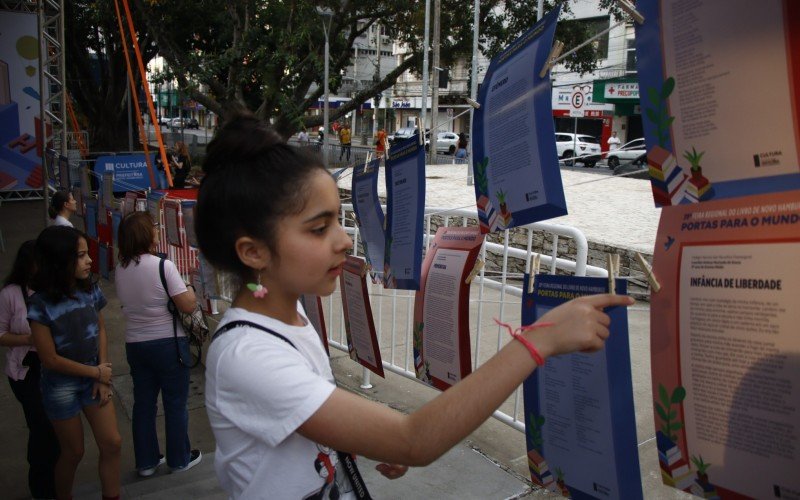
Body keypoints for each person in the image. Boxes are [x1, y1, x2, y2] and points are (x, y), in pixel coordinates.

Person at [195, 113, 633, 498]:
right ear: (253, 252)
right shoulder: (248, 356)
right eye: (318, 228)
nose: (345, 240)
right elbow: (413, 440)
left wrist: (366, 438)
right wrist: (540, 339)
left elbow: (307, 414)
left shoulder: (289, 318)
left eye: (339, 219)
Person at [28, 226, 122, 500]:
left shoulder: (90, 290)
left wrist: (101, 372)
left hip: (95, 377)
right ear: (59, 261)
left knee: (112, 443)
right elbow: (50, 359)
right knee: (73, 452)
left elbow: (101, 329)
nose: (90, 260)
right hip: (61, 386)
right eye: (81, 256)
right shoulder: (39, 305)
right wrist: (96, 372)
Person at [115, 212, 202, 477]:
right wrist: (191, 288)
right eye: (153, 227)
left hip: (135, 345)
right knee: (175, 403)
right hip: (167, 344)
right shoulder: (163, 266)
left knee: (143, 404)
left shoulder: (120, 268)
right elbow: (187, 304)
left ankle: (147, 462)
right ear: (145, 234)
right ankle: (179, 459)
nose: (156, 230)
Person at [0, 240, 59, 499]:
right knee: (40, 427)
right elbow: (1, 333)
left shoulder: (52, 289)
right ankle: (41, 485)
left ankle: (56, 480)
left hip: (54, 367)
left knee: (56, 428)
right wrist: (29, 339)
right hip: (25, 370)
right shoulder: (11, 294)